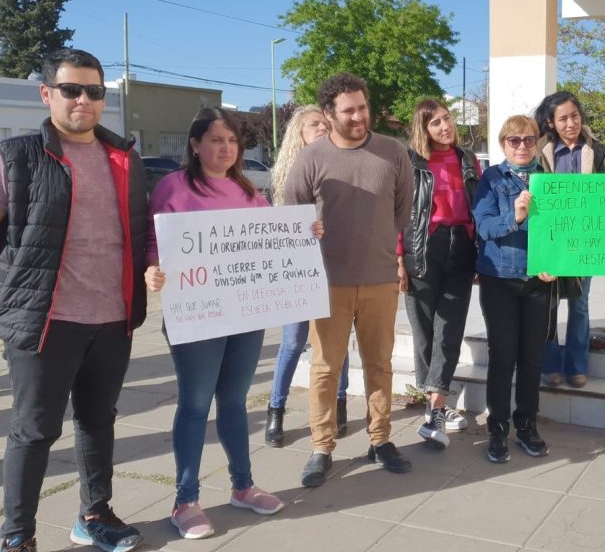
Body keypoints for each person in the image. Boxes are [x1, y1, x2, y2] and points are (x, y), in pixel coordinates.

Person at [0, 48, 147, 552]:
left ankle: (95, 515)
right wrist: (13, 284)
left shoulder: (124, 159)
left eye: (94, 91)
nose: (83, 100)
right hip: (47, 322)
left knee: (97, 421)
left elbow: (137, 231)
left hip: (112, 319)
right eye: (71, 89)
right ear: (47, 94)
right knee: (33, 432)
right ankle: (17, 536)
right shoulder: (13, 157)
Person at [145, 108, 303, 539]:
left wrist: (304, 237)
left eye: (232, 141)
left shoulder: (250, 191)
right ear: (195, 145)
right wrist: (152, 269)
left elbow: (268, 243)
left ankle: (243, 486)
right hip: (196, 315)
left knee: (234, 402)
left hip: (245, 314)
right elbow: (153, 242)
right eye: (216, 140)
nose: (226, 148)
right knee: (195, 405)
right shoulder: (172, 188)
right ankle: (186, 499)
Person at [285, 72, 414, 484]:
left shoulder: (394, 152)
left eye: (362, 107)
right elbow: (294, 216)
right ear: (329, 113)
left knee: (379, 365)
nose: (358, 116)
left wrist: (378, 247)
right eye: (348, 110)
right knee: (325, 368)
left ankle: (380, 439)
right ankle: (322, 446)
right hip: (327, 282)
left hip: (379, 279)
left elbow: (401, 211)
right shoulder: (312, 158)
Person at [264, 105, 353, 447]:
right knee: (292, 341)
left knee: (338, 340)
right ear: (298, 133)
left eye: (324, 123)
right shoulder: (287, 174)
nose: (320, 127)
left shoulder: (340, 165)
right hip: (297, 270)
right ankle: (276, 410)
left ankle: (340, 403)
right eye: (313, 124)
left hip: (335, 267)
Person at [473, 115, 557, 463]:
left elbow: (562, 231)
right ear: (503, 143)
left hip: (538, 280)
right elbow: (484, 225)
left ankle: (526, 424)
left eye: (528, 139)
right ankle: (497, 426)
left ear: (537, 142)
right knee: (503, 357)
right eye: (513, 140)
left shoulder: (549, 180)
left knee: (532, 358)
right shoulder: (492, 178)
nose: (521, 146)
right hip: (500, 280)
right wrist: (516, 217)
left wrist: (558, 266)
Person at [399, 99, 481, 449]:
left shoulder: (467, 160)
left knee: (449, 326)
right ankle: (435, 403)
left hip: (460, 243)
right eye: (436, 123)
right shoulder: (410, 161)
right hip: (422, 246)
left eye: (447, 119)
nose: (445, 127)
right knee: (423, 327)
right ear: (424, 129)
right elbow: (398, 211)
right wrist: (398, 257)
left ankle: (436, 405)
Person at [533, 91, 605, 389]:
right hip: (550, 239)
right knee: (549, 303)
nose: (570, 123)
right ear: (551, 123)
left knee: (580, 301)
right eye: (563, 118)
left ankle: (578, 365)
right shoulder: (540, 151)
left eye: (574, 116)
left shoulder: (598, 151)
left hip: (585, 238)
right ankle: (550, 364)